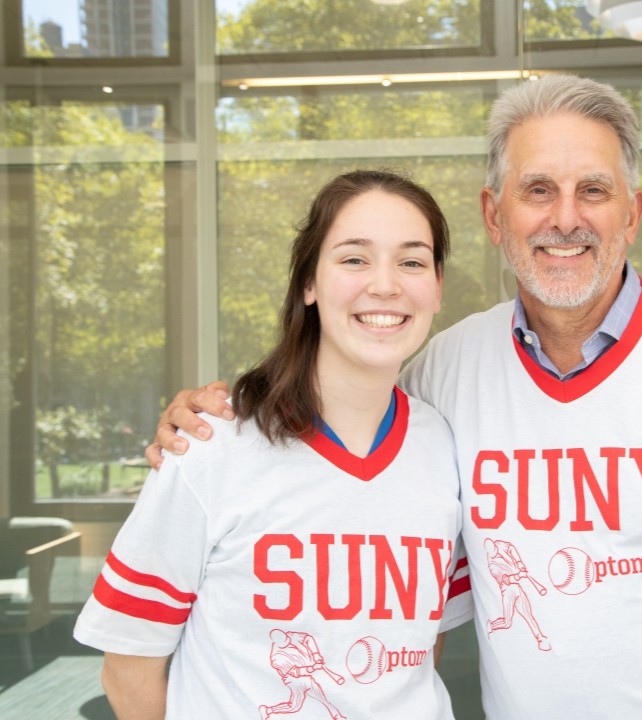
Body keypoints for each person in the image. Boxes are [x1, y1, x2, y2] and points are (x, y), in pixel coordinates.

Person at [148, 75, 642, 718]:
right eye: (538, 190)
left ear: (632, 213)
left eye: (594, 191)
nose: (566, 218)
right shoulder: (445, 370)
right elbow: (335, 432)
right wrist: (215, 421)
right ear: (495, 216)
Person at [74, 169, 472, 720]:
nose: (385, 285)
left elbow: (419, 647)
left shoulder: (445, 447)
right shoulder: (212, 443)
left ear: (437, 287)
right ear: (308, 283)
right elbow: (128, 669)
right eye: (354, 258)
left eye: (411, 262)